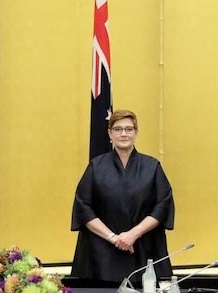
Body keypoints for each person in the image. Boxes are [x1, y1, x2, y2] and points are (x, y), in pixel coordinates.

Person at [71, 110, 175, 283]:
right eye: (118, 129)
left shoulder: (152, 166)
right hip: (101, 252)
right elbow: (83, 207)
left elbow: (163, 206)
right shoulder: (96, 166)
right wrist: (114, 238)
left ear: (136, 133)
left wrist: (133, 234)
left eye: (129, 129)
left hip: (143, 249)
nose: (124, 134)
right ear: (110, 134)